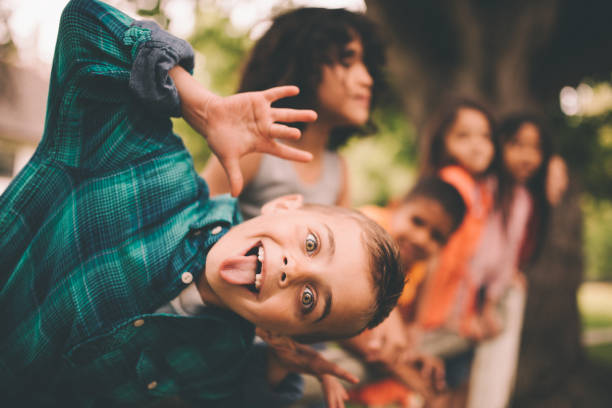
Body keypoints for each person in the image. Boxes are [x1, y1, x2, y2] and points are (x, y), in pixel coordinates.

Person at [0, 1, 404, 406]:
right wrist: (203, 107)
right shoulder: (146, 169)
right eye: (312, 244)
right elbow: (83, 24)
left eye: (309, 300)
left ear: (283, 334)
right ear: (283, 206)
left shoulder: (223, 357)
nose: (292, 270)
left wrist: (275, 371)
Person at [202, 7, 385, 217]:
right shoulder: (255, 149)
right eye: (347, 61)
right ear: (304, 64)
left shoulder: (338, 169)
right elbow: (197, 221)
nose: (366, 79)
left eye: (366, 65)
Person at [338, 177, 468, 407]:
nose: (421, 238)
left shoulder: (417, 267)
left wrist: (411, 357)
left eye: (436, 237)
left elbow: (389, 330)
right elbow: (343, 319)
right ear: (396, 206)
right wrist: (411, 378)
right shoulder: (369, 229)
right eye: (417, 222)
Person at [467, 114, 564, 408]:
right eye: (517, 144)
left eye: (536, 148)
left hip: (487, 299)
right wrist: (485, 305)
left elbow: (506, 255)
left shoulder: (523, 197)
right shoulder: (490, 188)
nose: (528, 156)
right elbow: (487, 254)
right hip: (471, 300)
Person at [415, 99, 498, 407]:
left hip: (455, 316)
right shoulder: (455, 183)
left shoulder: (482, 190)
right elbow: (441, 258)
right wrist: (429, 321)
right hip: (439, 319)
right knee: (439, 396)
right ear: (444, 143)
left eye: (485, 136)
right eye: (463, 136)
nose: (477, 145)